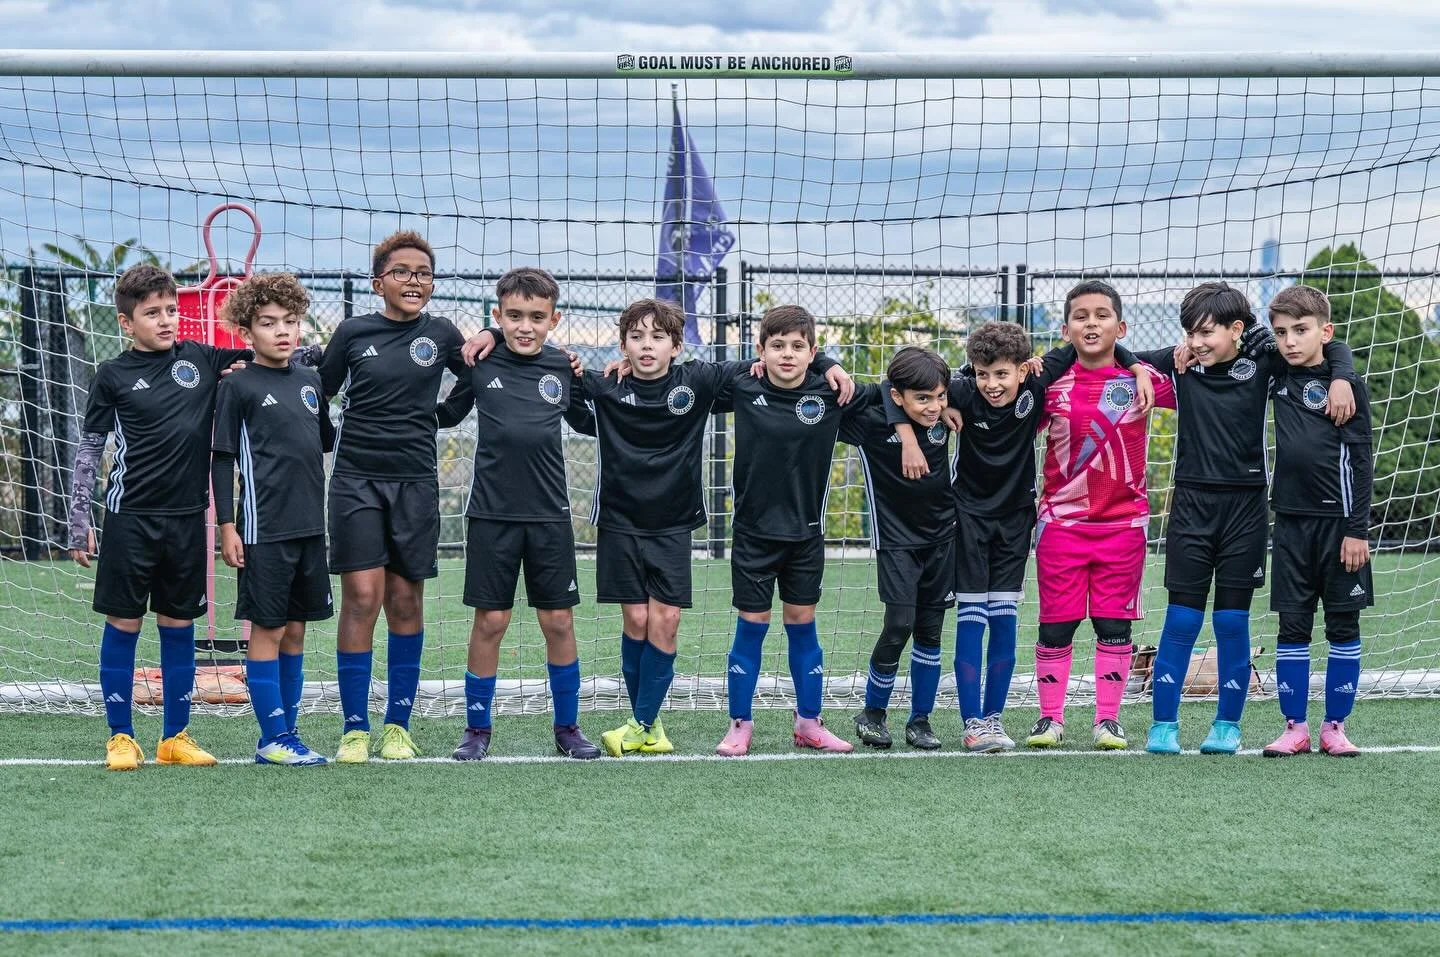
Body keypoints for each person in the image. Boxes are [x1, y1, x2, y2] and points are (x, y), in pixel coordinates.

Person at [555, 298, 848, 756]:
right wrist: (505, 340)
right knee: (635, 620)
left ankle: (643, 724)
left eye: (657, 338)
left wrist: (827, 362)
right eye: (637, 337)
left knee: (666, 620)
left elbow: (772, 362)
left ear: (676, 345)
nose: (646, 346)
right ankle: (646, 724)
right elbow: (565, 391)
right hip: (619, 522)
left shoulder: (699, 381)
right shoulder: (606, 385)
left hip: (674, 523)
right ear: (622, 345)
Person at [1134, 283, 1356, 756]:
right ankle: (1163, 726)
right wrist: (1143, 364)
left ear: (1236, 330)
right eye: (1189, 333)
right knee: (1180, 622)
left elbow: (1329, 345)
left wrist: (1342, 377)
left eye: (1206, 333)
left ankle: (1227, 726)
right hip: (1191, 508)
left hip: (1246, 511)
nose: (1195, 342)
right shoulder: (1181, 368)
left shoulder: (1265, 363)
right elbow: (1118, 353)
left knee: (1232, 622)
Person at [66, 264, 249, 770]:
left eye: (171, 310)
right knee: (124, 622)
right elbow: (89, 447)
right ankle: (121, 736)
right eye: (152, 313)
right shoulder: (112, 375)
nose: (167, 320)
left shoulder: (202, 359)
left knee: (178, 623)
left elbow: (270, 355)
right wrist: (79, 518)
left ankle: (175, 736)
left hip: (188, 520)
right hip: (130, 519)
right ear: (127, 323)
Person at [317, 230, 470, 763]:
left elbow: (474, 380)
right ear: (378, 281)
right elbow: (319, 391)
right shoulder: (354, 332)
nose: (413, 280)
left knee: (406, 600)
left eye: (423, 273)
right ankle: (354, 728)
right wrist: (328, 439)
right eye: (402, 272)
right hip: (356, 480)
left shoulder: (444, 333)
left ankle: (397, 726)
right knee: (363, 597)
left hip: (416, 483)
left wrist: (442, 417)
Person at [436, 267, 601, 760]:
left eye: (536, 316)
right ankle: (477, 729)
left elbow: (590, 420)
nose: (524, 325)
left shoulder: (563, 368)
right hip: (491, 515)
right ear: (497, 316)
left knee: (559, 622)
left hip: (550, 515)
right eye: (513, 316)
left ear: (555, 319)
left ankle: (567, 727)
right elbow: (446, 414)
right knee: (491, 621)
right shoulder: (480, 363)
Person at [713, 305, 871, 757]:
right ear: (760, 351)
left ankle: (809, 722)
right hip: (753, 535)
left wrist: (831, 366)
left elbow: (895, 395)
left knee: (803, 627)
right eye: (777, 345)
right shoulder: (743, 383)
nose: (787, 354)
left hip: (805, 536)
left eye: (798, 347)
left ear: (812, 351)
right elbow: (690, 374)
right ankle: (740, 723)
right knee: (752, 626)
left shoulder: (831, 392)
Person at [1027, 280, 1174, 751]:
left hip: (1123, 526)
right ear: (1066, 329)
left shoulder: (1143, 380)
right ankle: (1050, 719)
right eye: (1081, 316)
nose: (1091, 323)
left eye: (1102, 315)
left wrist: (1144, 364)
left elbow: (1202, 365)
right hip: (1062, 525)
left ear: (1121, 326)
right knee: (1056, 624)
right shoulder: (1048, 384)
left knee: (1114, 624)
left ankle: (1107, 720)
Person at [212, 273, 333, 766]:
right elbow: (221, 458)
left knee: (298, 630)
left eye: (290, 321)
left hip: (311, 527)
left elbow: (324, 438)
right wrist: (227, 526)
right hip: (264, 530)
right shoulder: (237, 385)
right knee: (269, 629)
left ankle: (289, 731)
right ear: (247, 331)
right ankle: (271, 738)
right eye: (268, 323)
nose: (282, 331)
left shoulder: (310, 380)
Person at [1260, 285, 1373, 758]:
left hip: (1340, 530)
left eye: (1301, 330)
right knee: (1292, 628)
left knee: (1343, 627)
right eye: (1282, 331)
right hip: (1290, 525)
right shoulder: (1275, 375)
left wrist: (1357, 530)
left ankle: (1335, 727)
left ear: (1323, 332)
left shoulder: (1346, 386)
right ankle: (1295, 728)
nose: (1289, 340)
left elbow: (1362, 460)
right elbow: (1231, 337)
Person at [842, 347, 956, 751]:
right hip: (896, 543)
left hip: (944, 539)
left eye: (939, 397)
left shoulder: (946, 409)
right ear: (898, 396)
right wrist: (904, 433)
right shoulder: (872, 421)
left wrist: (941, 404)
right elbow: (853, 394)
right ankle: (872, 713)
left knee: (930, 631)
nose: (933, 406)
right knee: (899, 624)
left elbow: (976, 384)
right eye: (922, 399)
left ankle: (920, 720)